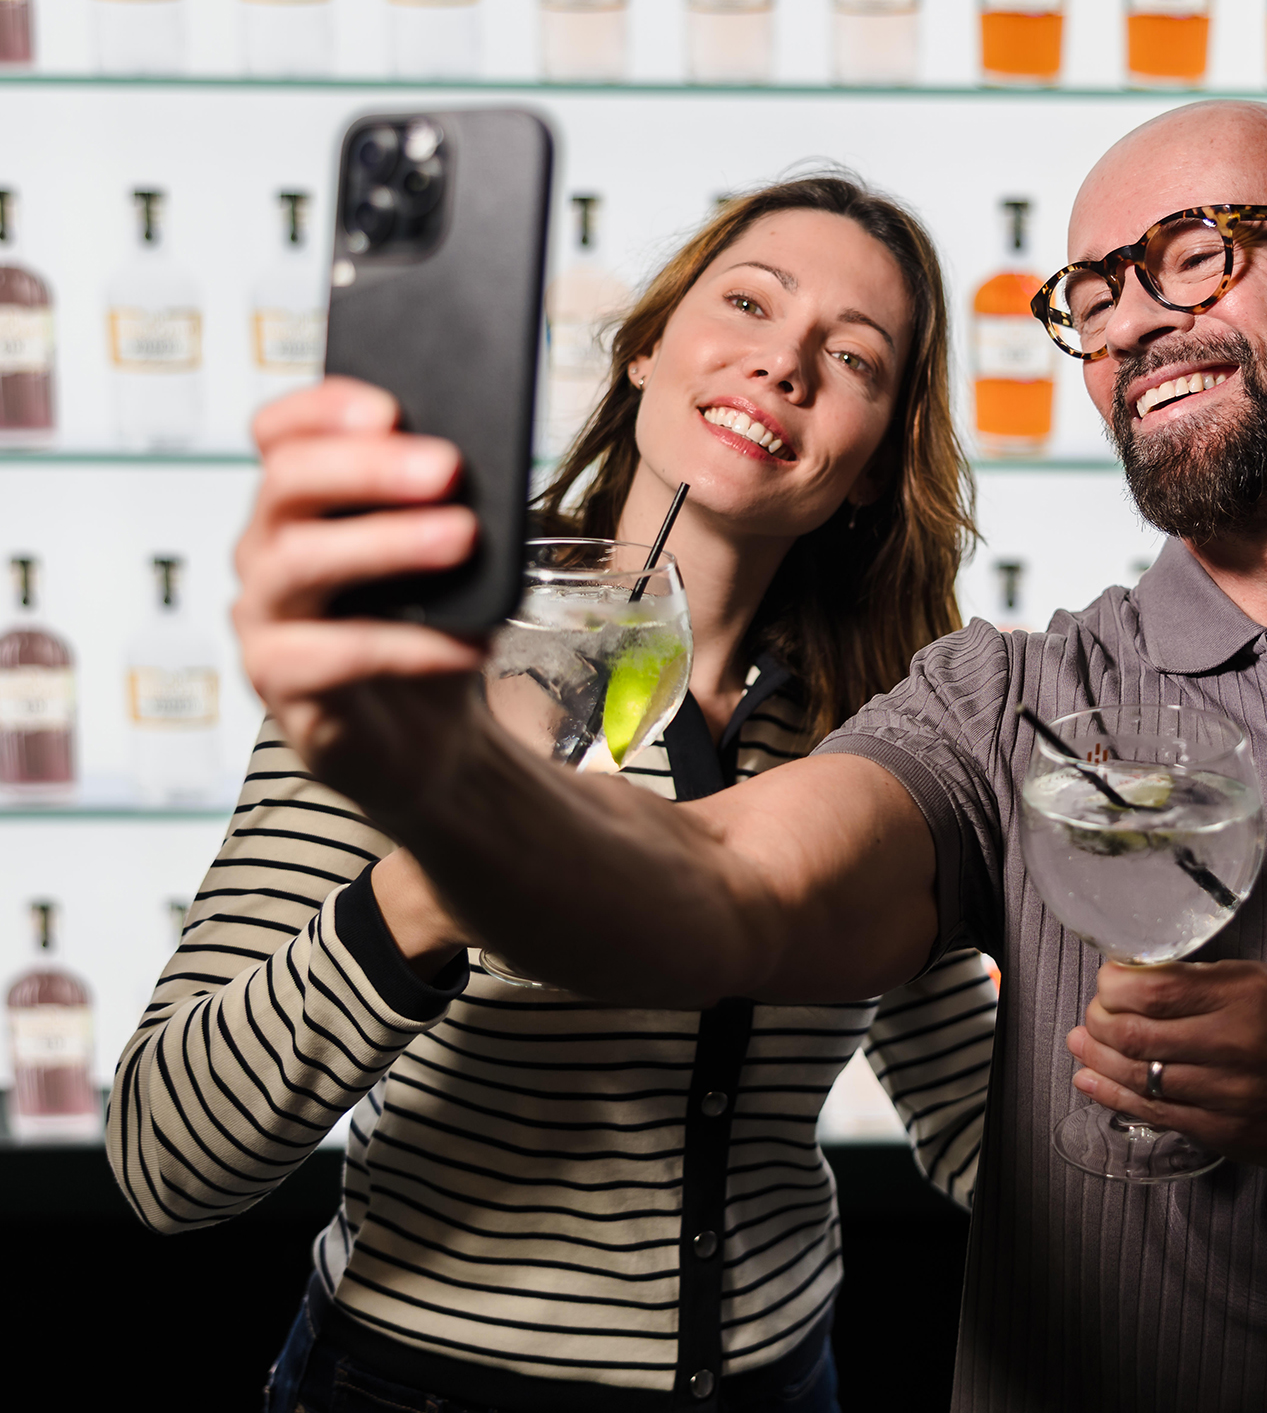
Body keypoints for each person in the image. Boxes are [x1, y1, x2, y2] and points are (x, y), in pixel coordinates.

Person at [231, 102, 1267, 1410]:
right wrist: (424, 763)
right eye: (1090, 293)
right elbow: (717, 886)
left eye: (1195, 250)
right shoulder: (1004, 698)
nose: (1125, 321)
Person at [108, 174, 998, 1412]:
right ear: (646, 350)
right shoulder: (421, 661)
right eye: (747, 302)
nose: (783, 363)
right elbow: (166, 1157)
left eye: (851, 357)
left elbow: (976, 1132)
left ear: (870, 466)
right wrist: (434, 878)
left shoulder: (883, 721)